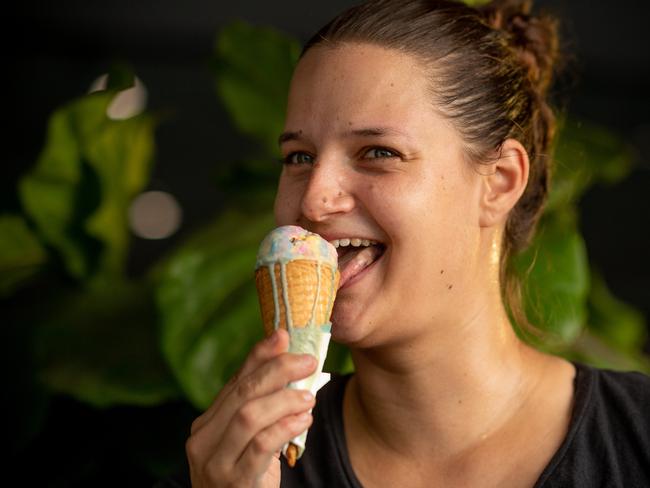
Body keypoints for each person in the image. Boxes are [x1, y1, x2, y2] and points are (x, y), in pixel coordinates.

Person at [160, 0, 650, 486]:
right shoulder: (239, 468)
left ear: (499, 181)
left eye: (378, 152)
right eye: (298, 157)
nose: (313, 199)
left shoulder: (636, 437)